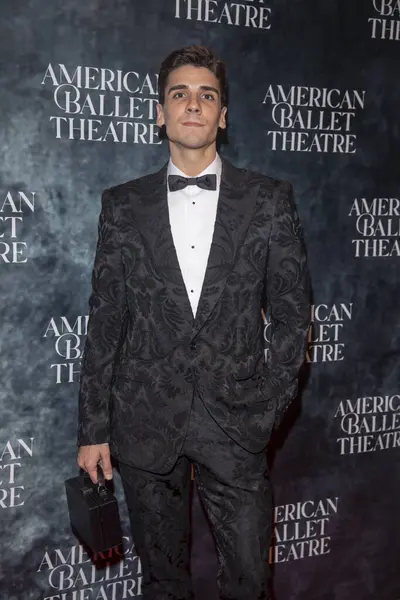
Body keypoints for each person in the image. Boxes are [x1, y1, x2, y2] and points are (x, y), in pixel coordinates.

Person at [77, 45, 311, 600]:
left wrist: (264, 410)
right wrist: (93, 430)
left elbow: (292, 315)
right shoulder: (122, 205)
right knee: (162, 582)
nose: (193, 104)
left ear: (223, 116)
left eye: (207, 95)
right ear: (160, 112)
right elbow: (105, 319)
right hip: (144, 421)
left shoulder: (269, 200)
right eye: (179, 93)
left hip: (236, 424)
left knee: (251, 579)